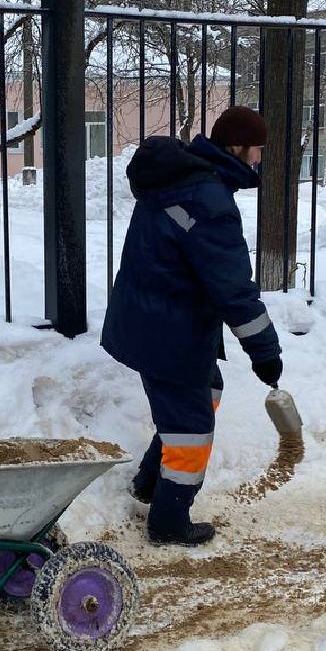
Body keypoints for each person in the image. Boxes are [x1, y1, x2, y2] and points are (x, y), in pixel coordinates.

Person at [101, 105, 283, 547]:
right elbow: (234, 288)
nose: (258, 160)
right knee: (193, 428)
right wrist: (264, 351)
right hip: (169, 331)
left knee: (205, 391)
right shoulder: (208, 201)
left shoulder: (183, 180)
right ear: (237, 148)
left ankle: (149, 483)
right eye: (256, 150)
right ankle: (169, 521)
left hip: (152, 319)